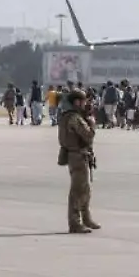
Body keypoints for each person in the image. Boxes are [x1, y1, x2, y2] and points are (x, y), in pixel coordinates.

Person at [58, 89, 99, 234]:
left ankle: (86, 218)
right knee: (77, 190)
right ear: (77, 102)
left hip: (77, 155)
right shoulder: (74, 118)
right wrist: (92, 123)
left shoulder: (69, 115)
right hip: (78, 156)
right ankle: (75, 223)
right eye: (83, 101)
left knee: (85, 189)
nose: (86, 104)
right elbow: (88, 135)